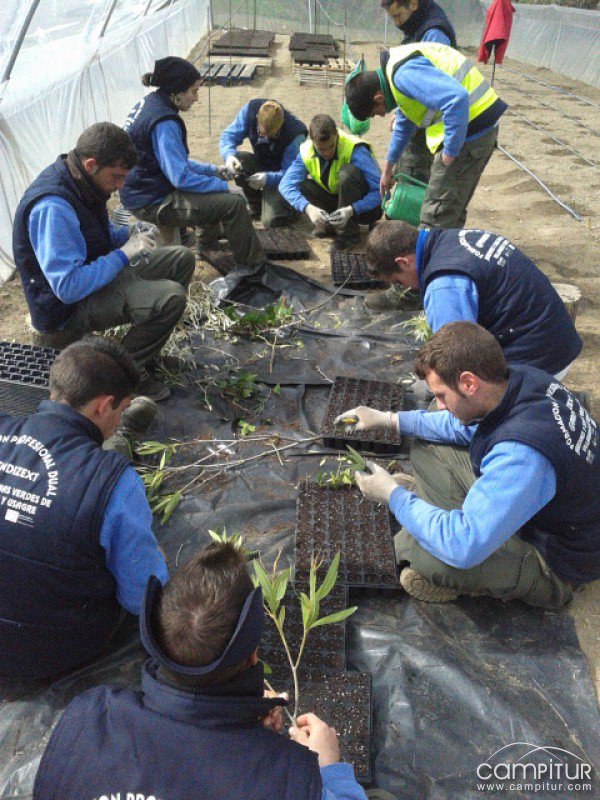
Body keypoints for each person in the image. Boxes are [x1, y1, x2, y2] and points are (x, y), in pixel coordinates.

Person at [32, 542, 367, 800]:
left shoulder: (88, 720)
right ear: (252, 656)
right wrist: (330, 771)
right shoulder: (291, 777)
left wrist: (241, 717)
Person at [336, 323, 600, 608]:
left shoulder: (522, 455)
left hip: (556, 559)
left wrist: (393, 496)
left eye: (441, 395)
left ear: (469, 383)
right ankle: (450, 520)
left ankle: (531, 581)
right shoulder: (520, 380)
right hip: (539, 508)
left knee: (414, 549)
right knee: (426, 446)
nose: (439, 404)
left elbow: (463, 547)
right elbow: (457, 426)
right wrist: (388, 419)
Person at [0, 337, 168, 682]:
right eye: (120, 411)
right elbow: (142, 597)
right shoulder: (116, 484)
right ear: (103, 406)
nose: (117, 417)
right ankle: (123, 441)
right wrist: (156, 562)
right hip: (51, 650)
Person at [12, 122, 195, 401]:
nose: (121, 185)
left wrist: (131, 233)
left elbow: (102, 236)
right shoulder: (54, 207)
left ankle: (146, 351)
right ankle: (126, 374)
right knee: (171, 297)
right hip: (65, 311)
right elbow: (68, 287)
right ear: (91, 165)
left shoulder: (85, 183)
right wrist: (123, 254)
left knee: (181, 258)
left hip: (91, 278)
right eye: (117, 177)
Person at [345, 43, 507, 309]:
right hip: (475, 130)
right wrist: (388, 166)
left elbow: (456, 99)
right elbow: (407, 119)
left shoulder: (403, 75)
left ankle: (412, 295)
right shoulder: (395, 75)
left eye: (376, 112)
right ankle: (444, 278)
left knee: (436, 215)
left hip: (470, 134)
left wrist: (451, 150)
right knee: (449, 214)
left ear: (377, 97)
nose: (382, 115)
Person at [365, 220, 582, 378]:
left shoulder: (444, 286)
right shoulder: (451, 238)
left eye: (399, 281)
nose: (406, 288)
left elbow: (457, 359)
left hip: (541, 362)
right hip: (557, 339)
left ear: (403, 263)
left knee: (456, 401)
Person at [120, 56, 264, 269]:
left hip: (142, 187)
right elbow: (180, 178)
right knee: (233, 203)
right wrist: (225, 187)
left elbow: (175, 163)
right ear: (177, 92)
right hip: (150, 200)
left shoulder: (152, 103)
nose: (196, 98)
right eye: (194, 91)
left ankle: (207, 245)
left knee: (208, 186)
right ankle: (253, 266)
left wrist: (214, 171)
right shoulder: (164, 123)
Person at [279, 113, 382, 251]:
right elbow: (285, 185)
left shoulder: (355, 150)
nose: (327, 152)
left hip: (367, 209)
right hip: (339, 201)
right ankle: (328, 225)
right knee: (303, 186)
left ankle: (348, 236)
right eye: (322, 149)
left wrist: (352, 209)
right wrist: (308, 208)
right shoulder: (306, 151)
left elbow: (380, 191)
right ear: (313, 142)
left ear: (336, 136)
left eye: (332, 146)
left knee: (347, 174)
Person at [381, 0, 457, 185]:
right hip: (425, 118)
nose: (396, 23)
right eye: (391, 18)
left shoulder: (434, 34)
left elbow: (431, 92)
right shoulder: (418, 25)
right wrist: (400, 111)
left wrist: (404, 114)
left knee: (415, 176)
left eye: (397, 16)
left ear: (413, 4)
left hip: (433, 124)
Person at [219, 99, 308, 227]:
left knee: (270, 221)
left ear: (281, 124)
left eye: (272, 135)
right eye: (262, 133)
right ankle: (257, 206)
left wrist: (268, 178)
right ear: (257, 118)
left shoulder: (295, 135)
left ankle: (292, 209)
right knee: (239, 159)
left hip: (283, 178)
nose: (265, 138)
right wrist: (229, 156)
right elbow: (228, 136)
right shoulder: (250, 110)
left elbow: (290, 174)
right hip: (263, 163)